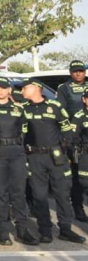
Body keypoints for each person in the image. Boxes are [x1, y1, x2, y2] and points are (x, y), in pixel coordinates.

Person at [22, 77, 85, 244]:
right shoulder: (22, 109)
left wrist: (65, 148)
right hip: (34, 157)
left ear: (36, 88)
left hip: (57, 157)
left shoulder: (55, 106)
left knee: (63, 193)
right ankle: (45, 230)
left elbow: (67, 128)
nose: (22, 91)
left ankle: (65, 229)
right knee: (39, 195)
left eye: (25, 88)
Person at [0, 77, 39, 246]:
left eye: (3, 87)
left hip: (17, 154)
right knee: (0, 194)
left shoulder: (18, 109)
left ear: (9, 90)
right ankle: (4, 232)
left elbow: (26, 131)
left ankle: (22, 230)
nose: (0, 90)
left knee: (19, 194)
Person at [57, 60, 88, 222]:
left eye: (81, 71)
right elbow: (60, 111)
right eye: (75, 71)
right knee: (78, 178)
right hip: (75, 136)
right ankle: (78, 207)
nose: (78, 74)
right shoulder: (64, 88)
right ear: (70, 72)